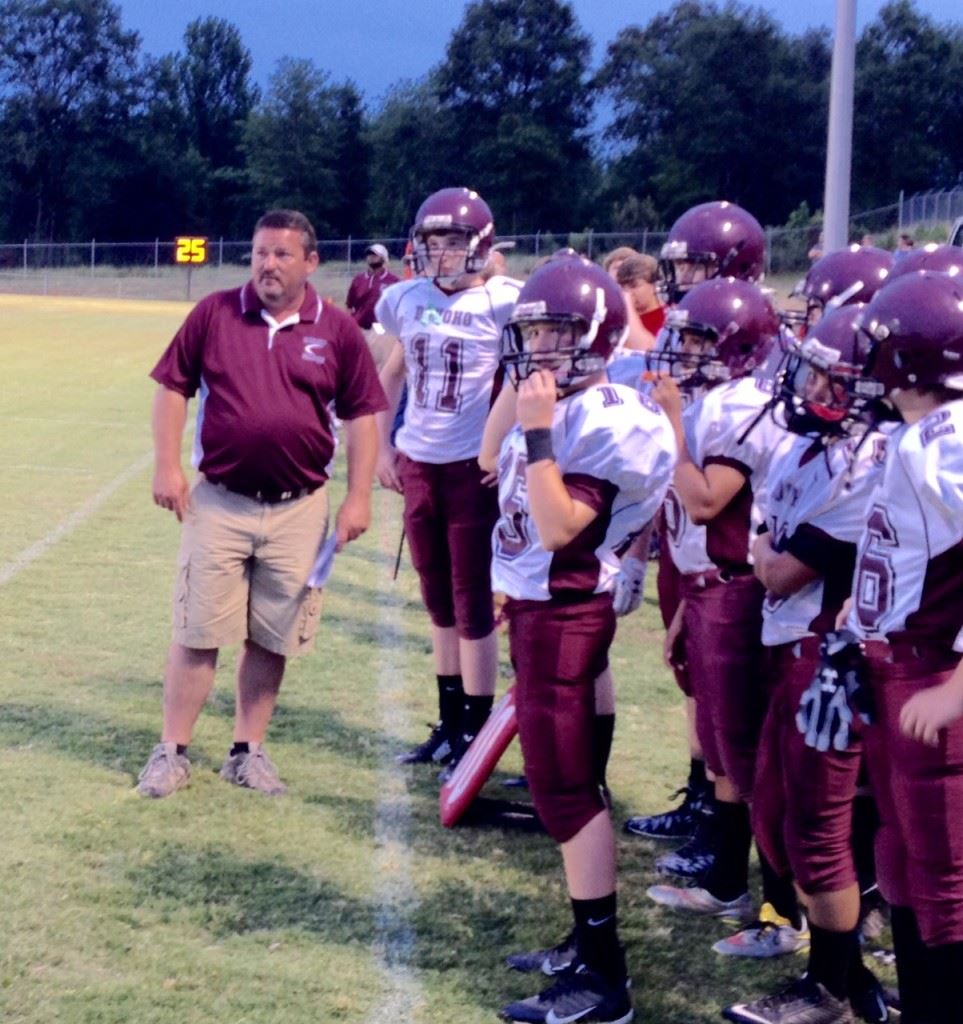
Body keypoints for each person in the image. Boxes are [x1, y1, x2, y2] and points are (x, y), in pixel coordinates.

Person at [136, 209, 386, 798]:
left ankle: (247, 751)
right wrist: (168, 465)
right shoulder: (215, 313)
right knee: (197, 630)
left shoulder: (338, 330)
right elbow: (173, 387)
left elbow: (362, 417)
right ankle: (172, 751)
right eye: (259, 253)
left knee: (272, 636)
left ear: (310, 262)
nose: (268, 265)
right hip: (219, 502)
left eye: (281, 254)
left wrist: (358, 499)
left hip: (301, 508)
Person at [493, 257, 676, 1024]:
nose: (537, 348)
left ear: (593, 338)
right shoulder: (566, 404)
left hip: (565, 610)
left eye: (553, 332)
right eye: (530, 330)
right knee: (569, 784)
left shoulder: (607, 419)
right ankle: (584, 941)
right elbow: (494, 476)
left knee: (563, 790)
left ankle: (604, 979)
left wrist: (535, 434)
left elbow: (562, 527)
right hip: (545, 605)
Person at [723, 305, 890, 1021]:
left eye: (828, 378)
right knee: (773, 811)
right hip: (784, 649)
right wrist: (765, 556)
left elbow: (781, 569)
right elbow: (759, 543)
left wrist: (765, 557)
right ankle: (848, 980)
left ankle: (834, 988)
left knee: (817, 832)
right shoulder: (804, 450)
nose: (807, 386)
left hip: (824, 661)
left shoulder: (875, 459)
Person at [643, 280, 801, 944]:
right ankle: (727, 886)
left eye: (700, 339)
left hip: (739, 589)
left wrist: (673, 424)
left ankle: (780, 912)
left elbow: (708, 500)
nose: (684, 350)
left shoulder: (747, 405)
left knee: (745, 759)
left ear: (737, 345)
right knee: (717, 754)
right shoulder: (718, 400)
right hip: (712, 586)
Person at [843, 270, 963, 1022]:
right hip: (895, 668)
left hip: (932, 677)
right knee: (904, 865)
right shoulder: (917, 436)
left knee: (948, 883)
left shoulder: (948, 441)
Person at [375, 187, 521, 776]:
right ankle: (449, 720)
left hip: (471, 469)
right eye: (432, 241)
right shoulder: (404, 299)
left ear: (480, 245)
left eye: (453, 241)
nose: (440, 253)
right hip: (419, 463)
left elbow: (530, 379)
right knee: (437, 598)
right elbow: (389, 373)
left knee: (472, 600)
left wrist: (504, 452)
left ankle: (476, 728)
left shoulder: (504, 302)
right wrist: (384, 445)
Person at [345, 243, 399, 330]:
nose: (371, 257)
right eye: (369, 254)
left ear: (383, 258)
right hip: (360, 325)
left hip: (382, 328)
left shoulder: (393, 281)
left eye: (375, 255)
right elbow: (349, 306)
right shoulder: (358, 279)